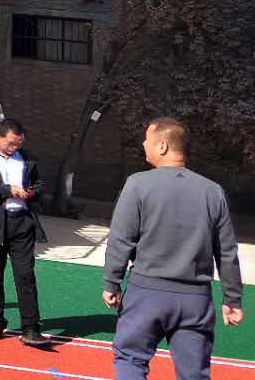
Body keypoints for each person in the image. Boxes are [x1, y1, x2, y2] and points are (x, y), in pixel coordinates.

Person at [103, 118, 244, 379]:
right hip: (195, 300)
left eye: (147, 139)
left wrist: (112, 283)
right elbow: (227, 252)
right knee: (194, 373)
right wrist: (232, 299)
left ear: (163, 146)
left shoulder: (137, 184)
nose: (143, 144)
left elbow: (120, 240)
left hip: (146, 293)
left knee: (130, 360)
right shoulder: (213, 191)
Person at [0, 118, 51, 346]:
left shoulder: (26, 158)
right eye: (11, 143)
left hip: (21, 223)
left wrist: (31, 192)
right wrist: (8, 190)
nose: (15, 147)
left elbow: (40, 185)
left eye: (19, 144)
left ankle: (31, 327)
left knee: (25, 276)